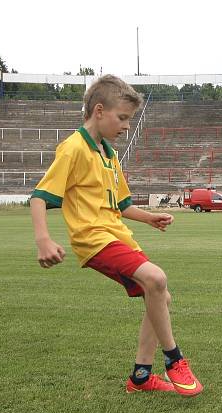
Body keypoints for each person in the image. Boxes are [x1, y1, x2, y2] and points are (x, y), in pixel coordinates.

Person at [30, 75, 203, 396]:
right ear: (98, 111)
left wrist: (149, 218)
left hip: (118, 236)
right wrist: (43, 239)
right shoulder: (73, 148)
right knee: (156, 279)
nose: (126, 126)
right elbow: (40, 196)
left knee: (161, 298)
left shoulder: (108, 154)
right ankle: (174, 359)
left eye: (129, 119)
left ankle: (140, 376)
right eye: (122, 118)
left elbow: (120, 204)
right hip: (94, 239)